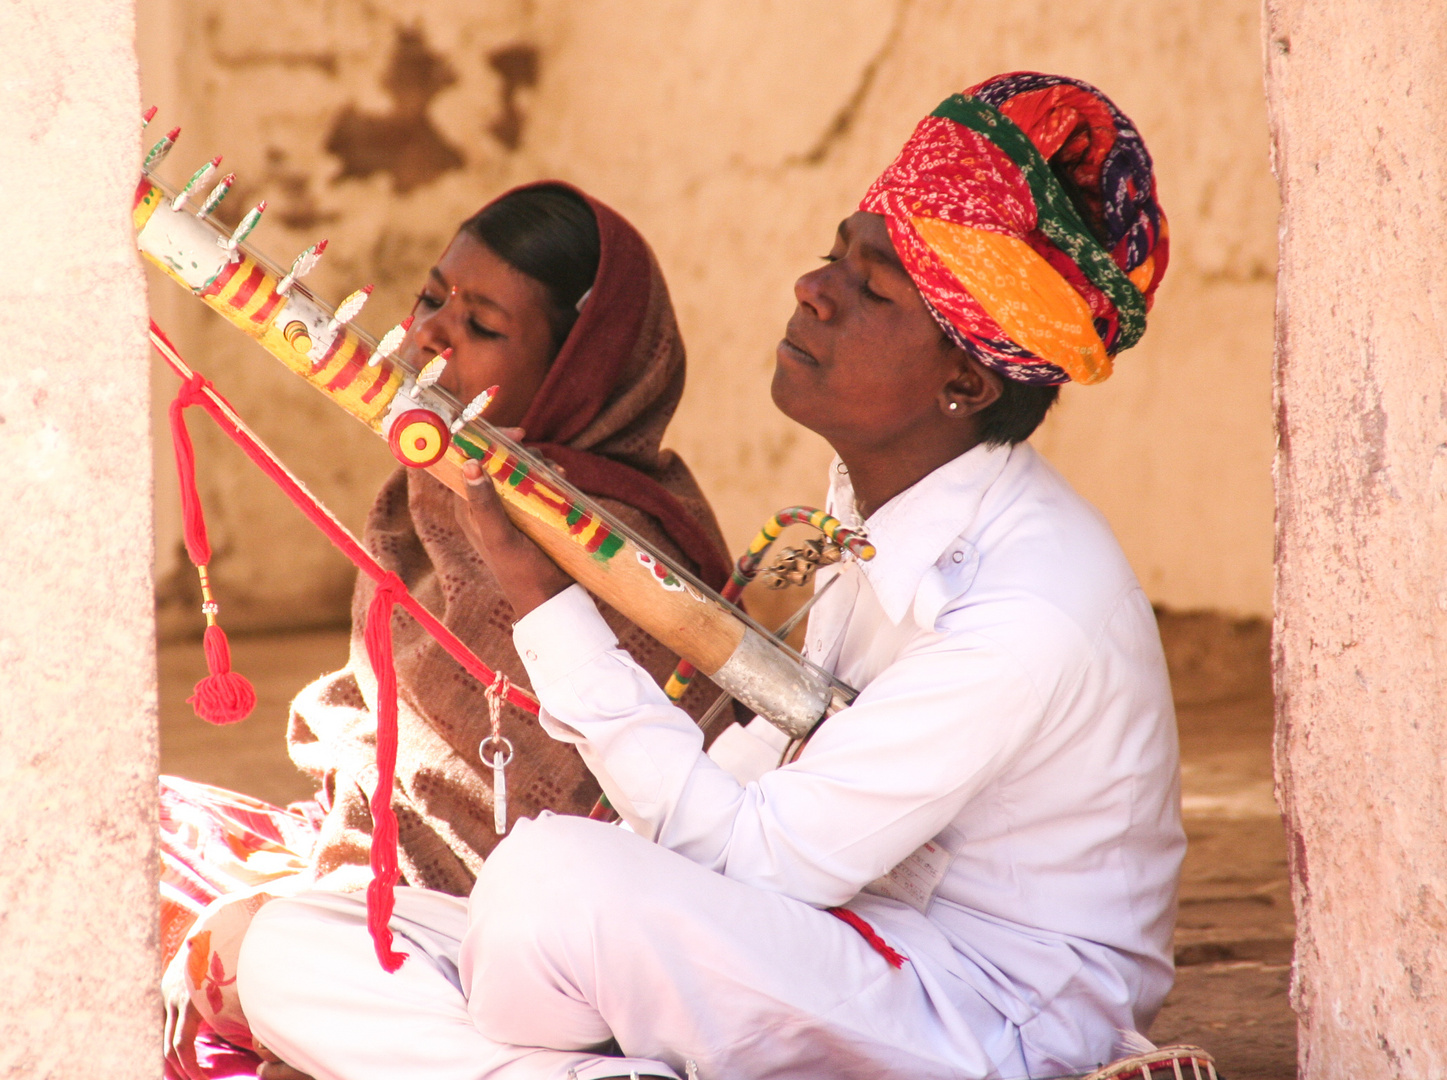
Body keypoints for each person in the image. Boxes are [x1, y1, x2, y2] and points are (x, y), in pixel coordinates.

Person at [235, 71, 1184, 1080]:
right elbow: (759, 791)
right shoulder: (864, 524)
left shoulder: (1023, 609)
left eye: (868, 290)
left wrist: (547, 604)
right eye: (833, 257)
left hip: (984, 1008)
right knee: (297, 937)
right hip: (834, 936)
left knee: (551, 882)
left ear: (965, 380)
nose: (811, 290)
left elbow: (757, 858)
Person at [160, 182, 733, 1078]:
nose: (431, 334)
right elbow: (390, 730)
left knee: (224, 949)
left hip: (528, 946)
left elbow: (578, 815)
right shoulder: (434, 488)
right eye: (434, 298)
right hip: (379, 881)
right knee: (133, 830)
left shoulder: (613, 546)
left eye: (483, 325)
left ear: (578, 369)